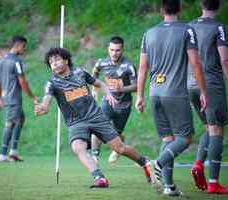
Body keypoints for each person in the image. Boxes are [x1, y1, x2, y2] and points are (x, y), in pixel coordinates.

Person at [34, 47, 151, 188]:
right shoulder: (52, 83)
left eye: (57, 60)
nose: (55, 64)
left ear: (65, 60)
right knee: (78, 147)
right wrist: (43, 107)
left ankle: (145, 163)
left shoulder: (80, 72)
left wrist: (108, 93)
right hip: (76, 122)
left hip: (96, 116)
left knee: (119, 148)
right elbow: (46, 100)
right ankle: (99, 178)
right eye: (51, 62)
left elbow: (99, 83)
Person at [135, 0, 207, 196]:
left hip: (154, 93)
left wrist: (140, 95)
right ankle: (156, 164)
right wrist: (203, 92)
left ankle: (169, 186)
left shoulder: (148, 33)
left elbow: (142, 68)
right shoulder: (187, 30)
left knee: (168, 138)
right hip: (174, 93)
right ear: (180, 9)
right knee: (185, 138)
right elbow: (196, 64)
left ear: (161, 10)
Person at [188, 0, 228, 194]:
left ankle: (198, 164)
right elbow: (225, 60)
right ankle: (213, 182)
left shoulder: (190, 26)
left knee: (209, 128)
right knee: (217, 130)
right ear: (218, 6)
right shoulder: (218, 27)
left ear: (201, 5)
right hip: (210, 85)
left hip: (191, 85)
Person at [91, 36, 138, 165]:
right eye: (111, 50)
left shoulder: (129, 66)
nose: (114, 53)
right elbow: (93, 74)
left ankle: (118, 148)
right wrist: (94, 90)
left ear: (122, 50)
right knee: (98, 126)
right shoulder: (102, 63)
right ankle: (94, 156)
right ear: (108, 49)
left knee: (115, 135)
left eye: (117, 50)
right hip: (108, 102)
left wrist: (122, 88)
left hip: (124, 106)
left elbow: (137, 86)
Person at [0, 35, 38, 162]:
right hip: (13, 98)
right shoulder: (16, 61)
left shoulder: (2, 60)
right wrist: (33, 97)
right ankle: (2, 154)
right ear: (18, 45)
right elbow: (22, 81)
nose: (24, 50)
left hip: (6, 96)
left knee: (20, 119)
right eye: (24, 47)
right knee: (10, 123)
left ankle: (13, 152)